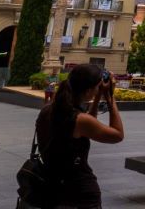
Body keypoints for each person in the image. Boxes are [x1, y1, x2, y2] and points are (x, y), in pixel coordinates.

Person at [30, 64, 124, 209]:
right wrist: (111, 96)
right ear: (88, 91)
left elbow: (89, 125)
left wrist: (98, 96)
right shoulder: (79, 120)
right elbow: (117, 135)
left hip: (52, 187)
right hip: (79, 193)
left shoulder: (48, 110)